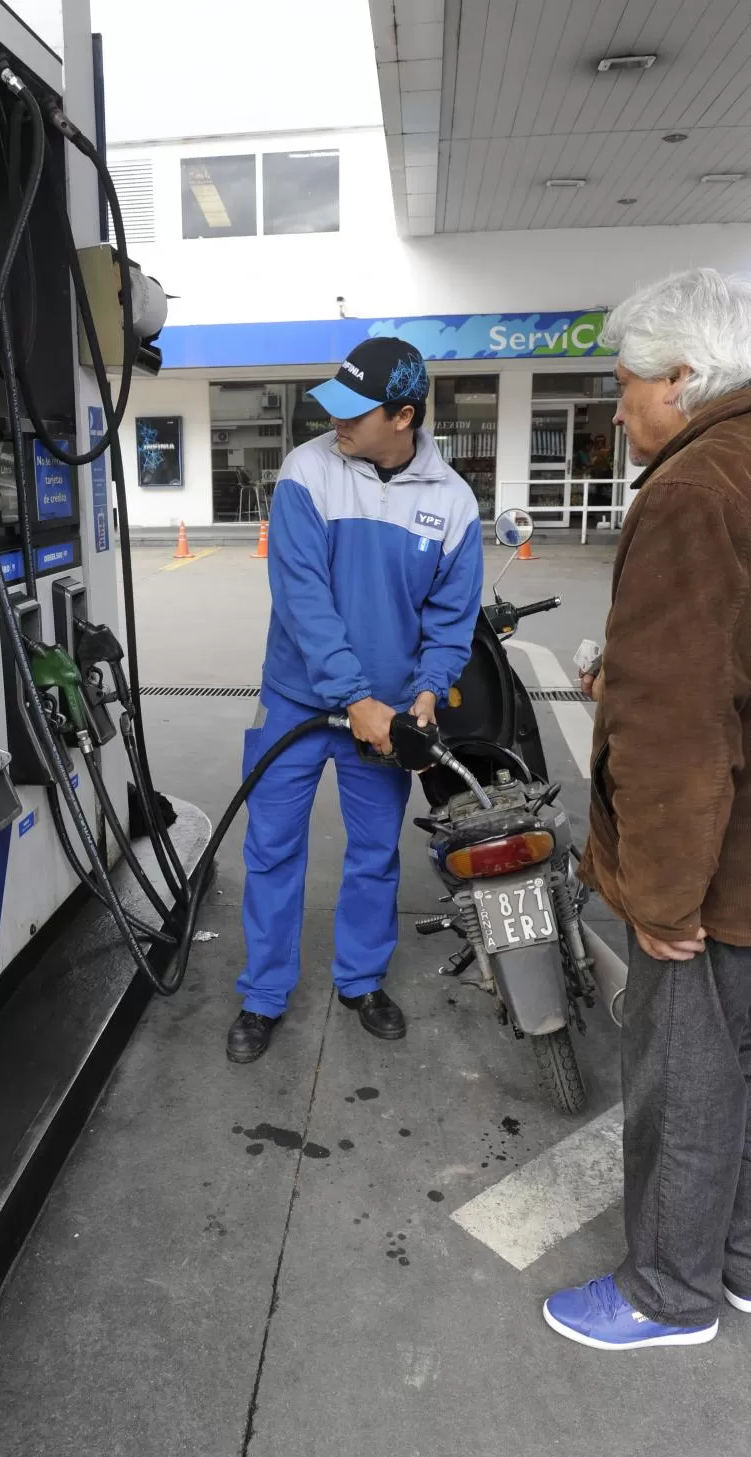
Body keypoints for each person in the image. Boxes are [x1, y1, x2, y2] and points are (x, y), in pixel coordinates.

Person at [545, 268, 751, 1350]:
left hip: (712, 871)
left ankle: (667, 1292)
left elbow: (679, 729)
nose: (615, 407)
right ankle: (741, 1259)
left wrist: (663, 898)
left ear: (684, 377)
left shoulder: (690, 489)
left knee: (688, 1083)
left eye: (626, 385)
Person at [226, 337, 483, 1063]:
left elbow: (450, 617)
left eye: (355, 412)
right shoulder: (309, 471)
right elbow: (303, 599)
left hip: (389, 716)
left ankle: (362, 979)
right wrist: (353, 698)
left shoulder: (453, 503)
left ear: (403, 417)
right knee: (272, 848)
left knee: (373, 854)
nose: (335, 422)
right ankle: (264, 994)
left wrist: (426, 694)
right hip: (295, 704)